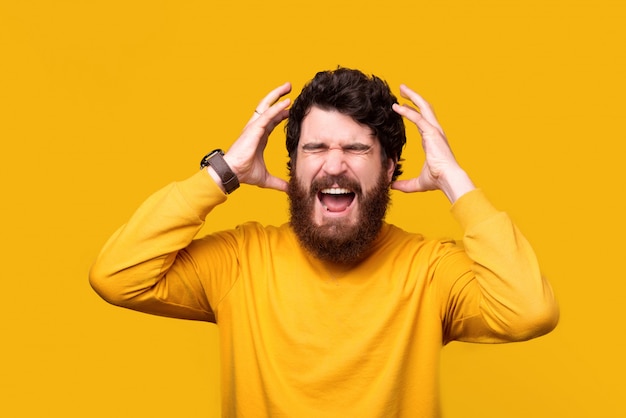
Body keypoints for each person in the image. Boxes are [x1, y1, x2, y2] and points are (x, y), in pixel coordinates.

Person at [89, 68, 559, 417]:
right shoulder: (241, 260)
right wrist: (224, 171)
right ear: (294, 167)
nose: (334, 166)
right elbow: (117, 276)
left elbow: (529, 311)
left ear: (390, 168)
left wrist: (454, 180)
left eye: (356, 148)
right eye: (314, 148)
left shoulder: (429, 269)